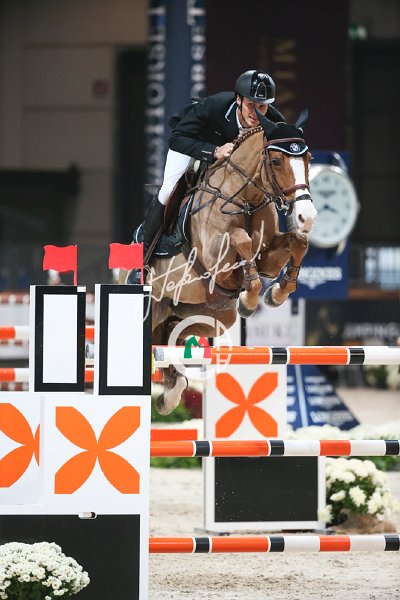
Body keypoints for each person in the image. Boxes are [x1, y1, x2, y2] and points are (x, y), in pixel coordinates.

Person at [128, 69, 285, 283]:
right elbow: (177, 139)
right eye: (251, 105)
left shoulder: (273, 119)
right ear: (238, 100)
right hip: (193, 143)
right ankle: (140, 262)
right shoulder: (215, 106)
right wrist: (214, 151)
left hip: (231, 162)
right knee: (168, 190)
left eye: (263, 106)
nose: (257, 113)